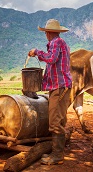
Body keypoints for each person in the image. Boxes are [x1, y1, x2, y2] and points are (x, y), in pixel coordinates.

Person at [28, 19, 72, 165]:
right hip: (60, 86)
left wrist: (37, 52)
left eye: (46, 32)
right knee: (59, 118)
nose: (45, 34)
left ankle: (57, 155)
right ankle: (59, 149)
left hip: (59, 87)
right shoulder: (59, 43)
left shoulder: (55, 43)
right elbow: (54, 64)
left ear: (48, 32)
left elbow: (51, 59)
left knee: (54, 121)